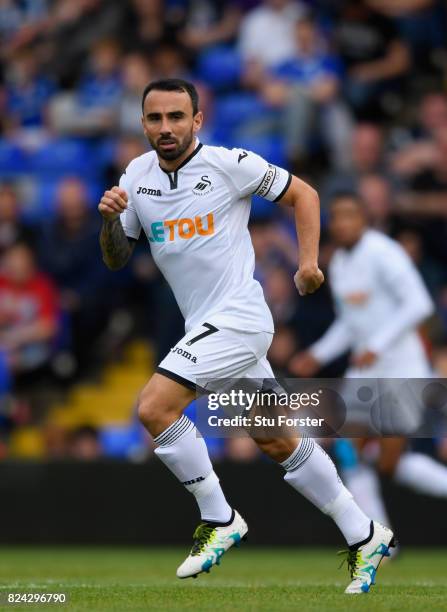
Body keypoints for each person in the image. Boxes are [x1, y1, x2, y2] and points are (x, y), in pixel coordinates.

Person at [98, 78, 395, 594]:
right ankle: (363, 532)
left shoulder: (228, 164)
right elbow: (116, 257)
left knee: (154, 407)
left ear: (197, 120)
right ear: (143, 123)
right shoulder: (136, 176)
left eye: (175, 116)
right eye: (154, 118)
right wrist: (108, 220)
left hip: (239, 318)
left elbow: (304, 194)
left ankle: (218, 517)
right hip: (205, 326)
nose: (165, 128)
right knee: (276, 438)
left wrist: (306, 263)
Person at [290, 192, 447, 528]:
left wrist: (377, 343)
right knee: (350, 454)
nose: (343, 223)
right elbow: (351, 322)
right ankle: (379, 540)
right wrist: (317, 354)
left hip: (402, 371)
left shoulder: (383, 252)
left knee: (390, 465)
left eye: (350, 215)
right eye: (337, 216)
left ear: (364, 219)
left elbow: (419, 303)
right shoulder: (341, 263)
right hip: (366, 371)